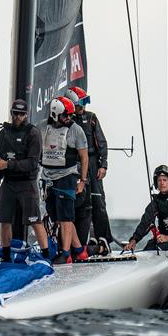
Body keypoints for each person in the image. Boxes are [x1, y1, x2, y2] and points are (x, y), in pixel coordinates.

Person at [0, 99, 49, 262]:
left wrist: (7, 165)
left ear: (26, 115)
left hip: (27, 183)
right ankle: (5, 255)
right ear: (11, 113)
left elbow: (32, 163)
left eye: (21, 114)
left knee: (34, 220)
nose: (18, 117)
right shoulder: (4, 133)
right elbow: (2, 161)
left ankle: (46, 255)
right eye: (15, 113)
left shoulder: (33, 133)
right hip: (9, 183)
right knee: (4, 219)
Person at [37, 96, 89, 264]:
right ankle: (79, 250)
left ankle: (66, 254)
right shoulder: (42, 127)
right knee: (57, 216)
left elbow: (84, 156)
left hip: (68, 175)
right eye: (65, 115)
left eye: (70, 115)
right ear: (55, 114)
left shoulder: (76, 130)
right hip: (48, 176)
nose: (69, 119)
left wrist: (82, 180)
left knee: (66, 217)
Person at [66, 86, 113, 252]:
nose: (82, 107)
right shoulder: (67, 121)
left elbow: (101, 142)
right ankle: (81, 240)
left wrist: (103, 164)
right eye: (79, 104)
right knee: (79, 203)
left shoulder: (91, 118)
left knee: (98, 201)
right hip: (74, 165)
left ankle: (103, 238)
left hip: (92, 164)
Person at [124, 165, 168, 253]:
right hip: (163, 239)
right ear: (156, 183)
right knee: (148, 248)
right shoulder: (156, 202)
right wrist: (134, 240)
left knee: (159, 248)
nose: (162, 183)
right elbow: (146, 222)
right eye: (159, 180)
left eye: (165, 180)